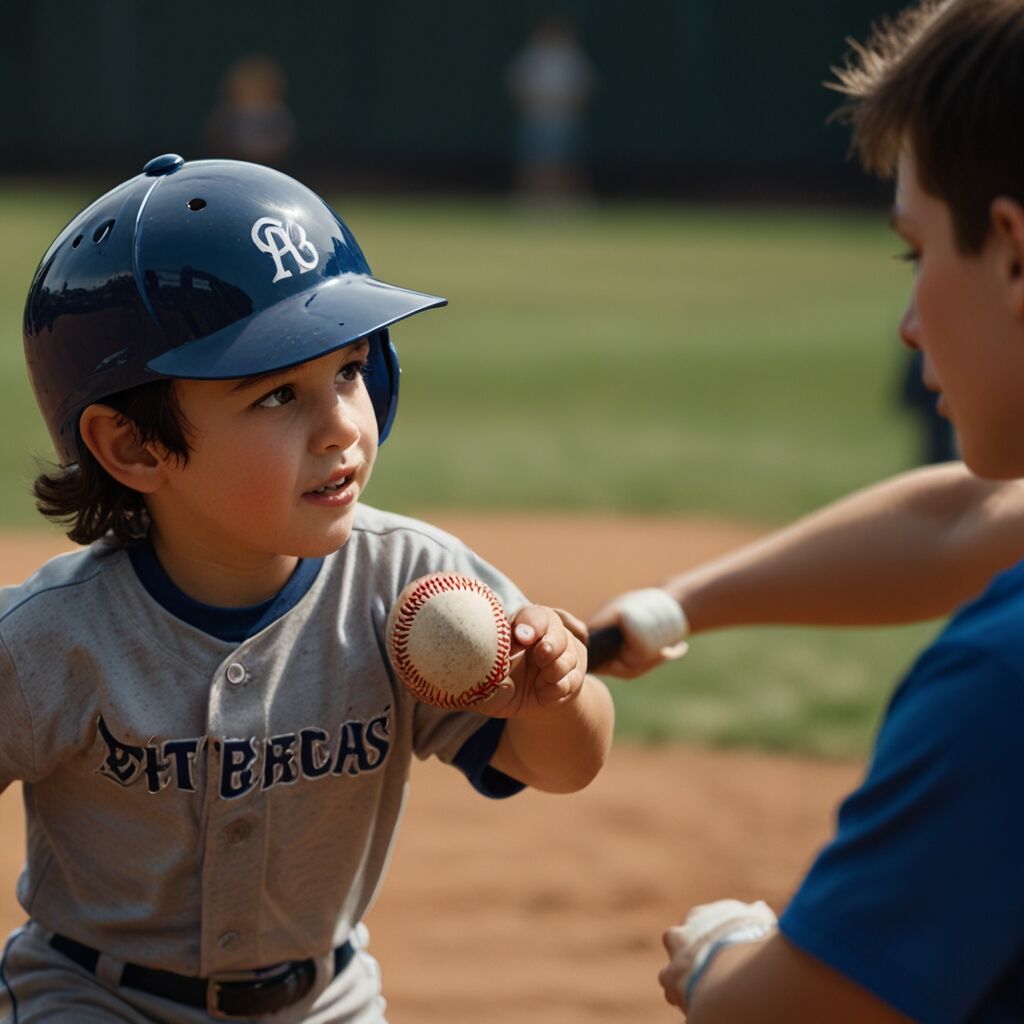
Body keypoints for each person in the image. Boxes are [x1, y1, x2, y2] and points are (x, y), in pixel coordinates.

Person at [3, 153, 613, 1022]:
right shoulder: (51, 639)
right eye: (277, 396)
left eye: (350, 373)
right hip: (97, 1001)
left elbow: (568, 764)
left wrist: (554, 695)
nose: (340, 428)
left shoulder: (416, 586)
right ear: (135, 446)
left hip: (327, 1000)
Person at [594, 1, 1024, 1020]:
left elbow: (794, 1011)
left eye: (913, 252)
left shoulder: (1000, 678)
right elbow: (964, 521)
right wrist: (672, 607)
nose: (911, 325)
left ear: (1012, 253)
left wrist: (720, 951)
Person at [505, 16, 595, 201]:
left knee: (566, 162)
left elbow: (584, 90)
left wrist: (562, 104)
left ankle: (567, 201)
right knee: (533, 162)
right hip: (535, 119)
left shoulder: (570, 57)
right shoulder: (532, 56)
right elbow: (516, 87)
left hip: (564, 121)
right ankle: (531, 200)